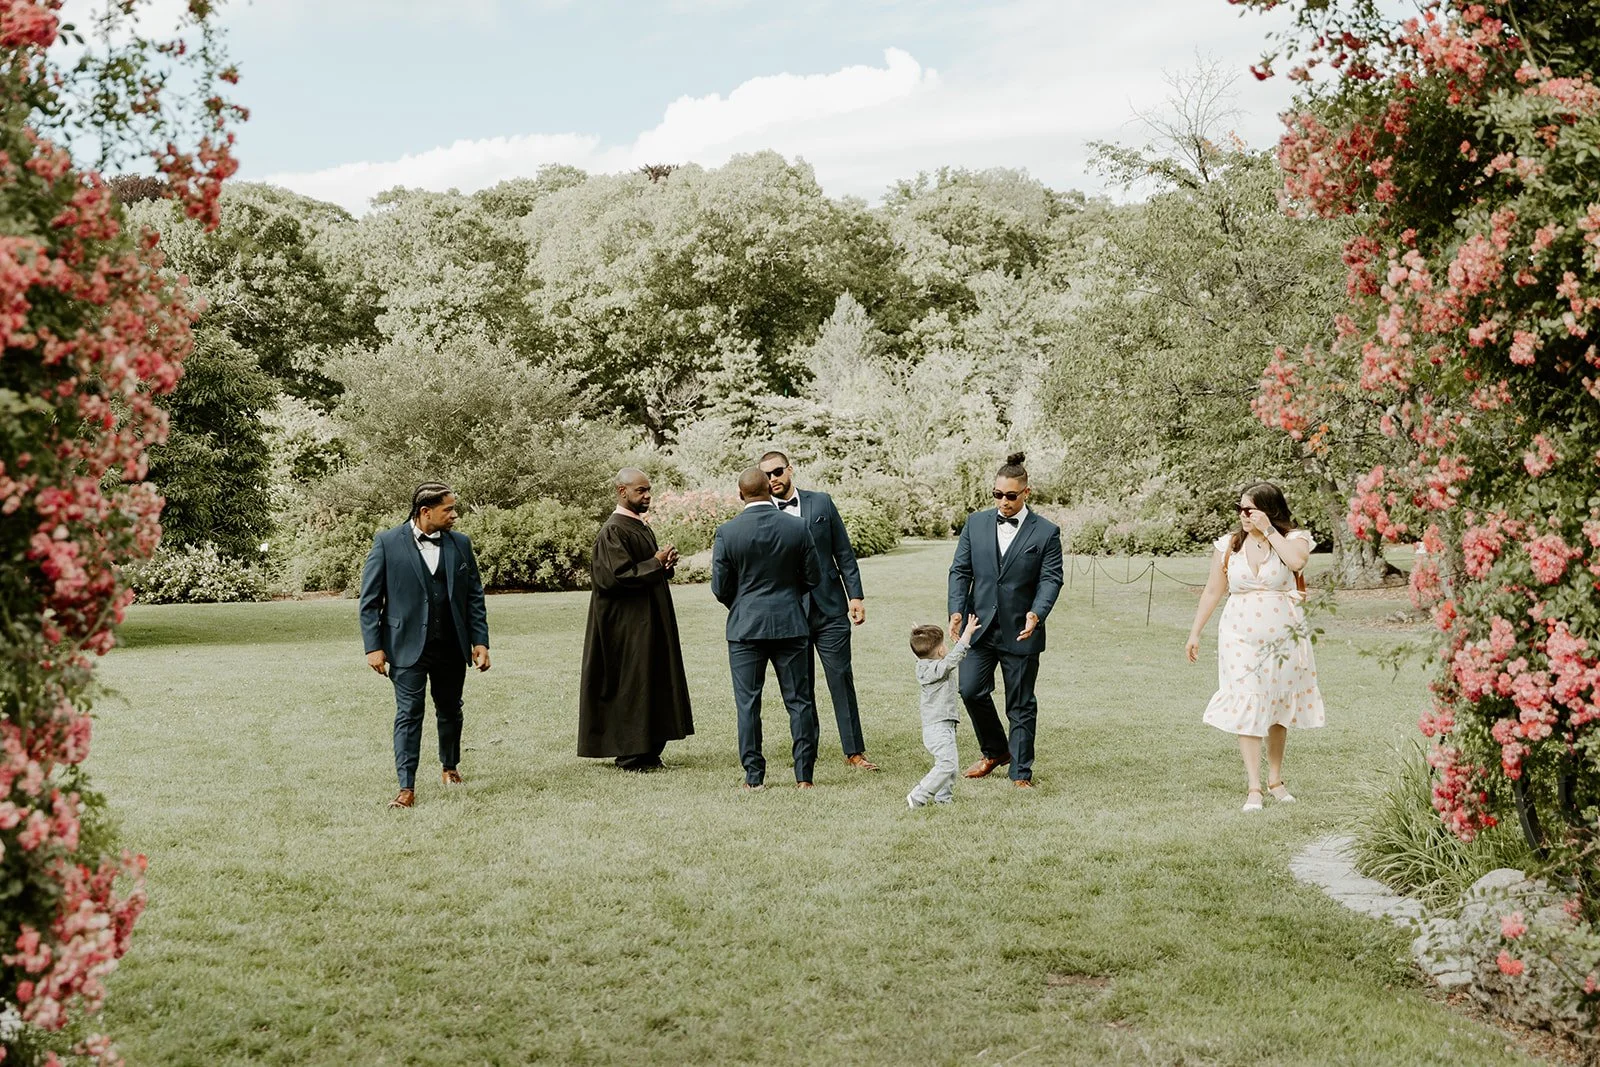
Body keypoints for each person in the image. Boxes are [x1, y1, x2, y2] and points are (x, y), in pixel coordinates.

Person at [1185, 482, 1326, 811]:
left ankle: (1275, 779)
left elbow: (1296, 562)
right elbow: (1212, 591)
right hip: (1239, 634)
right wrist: (1195, 633)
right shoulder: (1230, 544)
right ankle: (1254, 787)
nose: (1243, 516)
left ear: (1268, 510)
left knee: (1277, 705)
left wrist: (1269, 531)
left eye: (1249, 510)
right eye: (1240, 510)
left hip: (1282, 635)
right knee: (1248, 701)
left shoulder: (1294, 539)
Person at [359, 482, 491, 809]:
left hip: (450, 645)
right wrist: (373, 647)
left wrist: (480, 641)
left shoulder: (461, 544)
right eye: (448, 509)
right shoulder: (387, 543)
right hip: (405, 646)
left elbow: (474, 596)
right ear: (425, 511)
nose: (455, 515)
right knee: (408, 714)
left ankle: (450, 768)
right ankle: (406, 788)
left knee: (450, 710)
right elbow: (370, 601)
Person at [947, 452, 1064, 789]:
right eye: (997, 495)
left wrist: (1037, 613)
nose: (1003, 502)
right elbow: (960, 570)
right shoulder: (976, 523)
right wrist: (956, 609)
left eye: (1011, 496)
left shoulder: (1046, 532)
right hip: (979, 627)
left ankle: (1021, 773)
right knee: (970, 690)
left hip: (1021, 632)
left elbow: (1051, 579)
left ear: (1027, 493)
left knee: (1020, 702)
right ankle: (996, 750)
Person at [761, 450, 877, 771]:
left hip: (830, 610)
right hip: (790, 613)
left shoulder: (822, 502)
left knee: (841, 679)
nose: (773, 479)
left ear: (790, 470)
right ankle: (807, 753)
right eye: (767, 475)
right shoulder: (763, 513)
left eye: (778, 472)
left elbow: (844, 552)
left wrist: (855, 596)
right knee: (801, 687)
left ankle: (854, 752)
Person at [711, 466, 824, 790]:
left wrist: (744, 603)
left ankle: (754, 778)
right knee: (800, 701)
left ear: (740, 493)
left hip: (745, 628)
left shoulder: (728, 532)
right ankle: (804, 778)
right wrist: (788, 596)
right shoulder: (797, 528)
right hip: (791, 623)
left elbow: (720, 587)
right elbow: (812, 578)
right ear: (770, 490)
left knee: (748, 703)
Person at [577, 468, 694, 771]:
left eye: (648, 490)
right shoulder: (613, 531)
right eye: (641, 491)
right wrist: (654, 563)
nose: (647, 496)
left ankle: (649, 752)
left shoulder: (638, 526)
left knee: (652, 680)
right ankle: (631, 755)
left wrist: (664, 565)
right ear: (622, 491)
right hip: (625, 626)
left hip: (648, 620)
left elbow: (642, 569)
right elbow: (613, 578)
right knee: (632, 683)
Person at [906, 615, 981, 809]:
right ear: (940, 650)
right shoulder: (935, 669)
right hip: (937, 728)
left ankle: (944, 799)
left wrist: (918, 633)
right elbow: (952, 660)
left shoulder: (924, 663)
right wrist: (966, 636)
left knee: (951, 765)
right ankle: (919, 796)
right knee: (946, 764)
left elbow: (921, 652)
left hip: (944, 725)